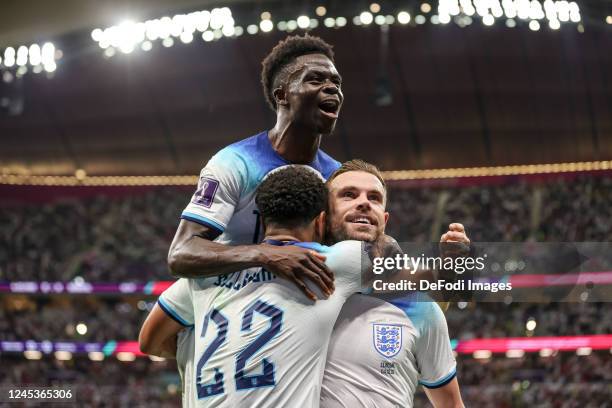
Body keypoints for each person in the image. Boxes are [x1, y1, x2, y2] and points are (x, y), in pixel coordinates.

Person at [140, 166, 374, 407]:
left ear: (262, 220)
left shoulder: (203, 275)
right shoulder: (332, 263)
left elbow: (149, 341)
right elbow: (409, 264)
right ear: (321, 221)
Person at [167, 33, 345, 300]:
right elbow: (181, 253)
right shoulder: (234, 162)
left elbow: (355, 255)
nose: (332, 88)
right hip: (229, 307)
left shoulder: (336, 175)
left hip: (303, 313)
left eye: (336, 82)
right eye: (316, 79)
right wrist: (265, 254)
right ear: (282, 95)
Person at [320, 159, 466, 408]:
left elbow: (451, 405)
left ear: (384, 220)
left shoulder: (419, 308)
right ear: (323, 215)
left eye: (374, 198)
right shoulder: (291, 288)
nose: (364, 202)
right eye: (349, 195)